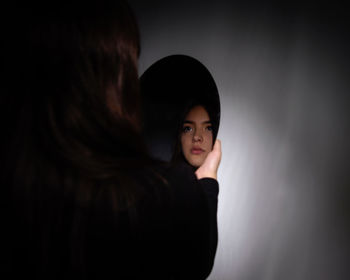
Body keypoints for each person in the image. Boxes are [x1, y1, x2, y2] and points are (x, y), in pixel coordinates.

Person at [2, 1, 221, 279]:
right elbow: (196, 259)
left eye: (206, 128)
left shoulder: (21, 185)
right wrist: (208, 183)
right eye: (188, 128)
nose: (199, 136)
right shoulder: (166, 195)